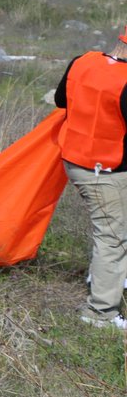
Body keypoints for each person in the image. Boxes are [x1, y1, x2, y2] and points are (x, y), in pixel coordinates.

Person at [54, 28, 127, 329]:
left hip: (76, 160)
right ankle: (100, 313)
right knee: (112, 238)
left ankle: (109, 277)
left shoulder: (81, 61)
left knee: (114, 230)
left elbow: (61, 100)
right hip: (107, 171)